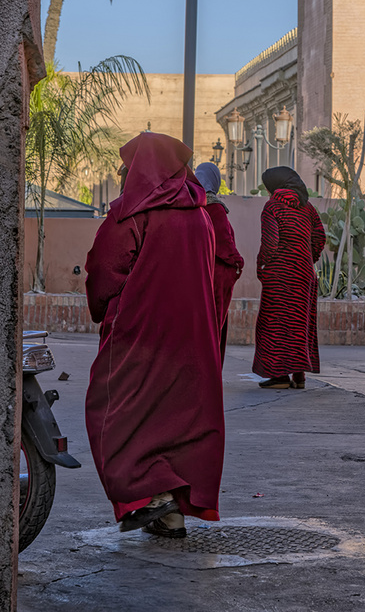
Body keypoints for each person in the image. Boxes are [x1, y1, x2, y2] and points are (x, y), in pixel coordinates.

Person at [84, 132, 224, 540]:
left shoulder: (131, 214)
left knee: (112, 408)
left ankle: (147, 497)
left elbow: (105, 272)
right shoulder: (200, 213)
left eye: (126, 165)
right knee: (179, 422)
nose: (122, 173)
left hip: (140, 336)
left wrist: (105, 311)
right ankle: (170, 511)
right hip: (193, 340)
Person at [254, 166, 326, 389]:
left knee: (274, 323)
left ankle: (279, 376)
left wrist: (262, 265)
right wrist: (307, 258)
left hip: (280, 274)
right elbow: (320, 237)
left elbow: (270, 242)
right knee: (298, 323)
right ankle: (299, 376)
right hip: (305, 275)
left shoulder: (273, 207)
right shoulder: (308, 208)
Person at [195, 162, 245, 362]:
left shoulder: (189, 205)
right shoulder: (215, 208)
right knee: (213, 325)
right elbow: (225, 244)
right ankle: (210, 372)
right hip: (215, 275)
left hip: (194, 273)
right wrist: (238, 262)